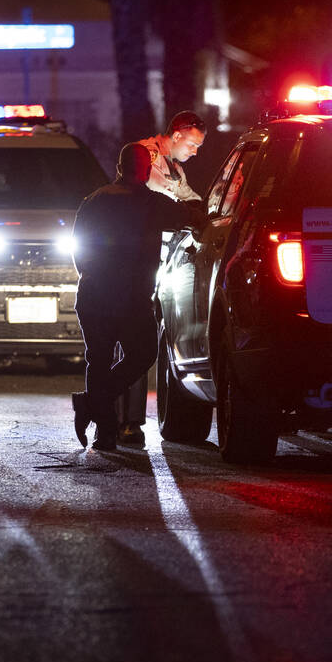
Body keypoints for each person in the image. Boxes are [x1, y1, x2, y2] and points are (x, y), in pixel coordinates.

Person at [70, 143, 198, 452]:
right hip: (132, 298)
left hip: (95, 294)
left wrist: (91, 275)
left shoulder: (95, 200)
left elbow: (79, 247)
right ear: (144, 170)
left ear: (119, 167)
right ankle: (94, 410)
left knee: (98, 361)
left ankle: (102, 429)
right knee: (143, 354)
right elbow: (193, 217)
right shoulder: (153, 203)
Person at [115, 110, 209, 444]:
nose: (196, 151)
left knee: (140, 340)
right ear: (179, 133)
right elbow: (158, 197)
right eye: (194, 143)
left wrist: (210, 210)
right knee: (131, 342)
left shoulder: (174, 168)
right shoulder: (149, 156)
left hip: (156, 262)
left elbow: (187, 198)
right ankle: (120, 418)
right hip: (137, 262)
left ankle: (123, 418)